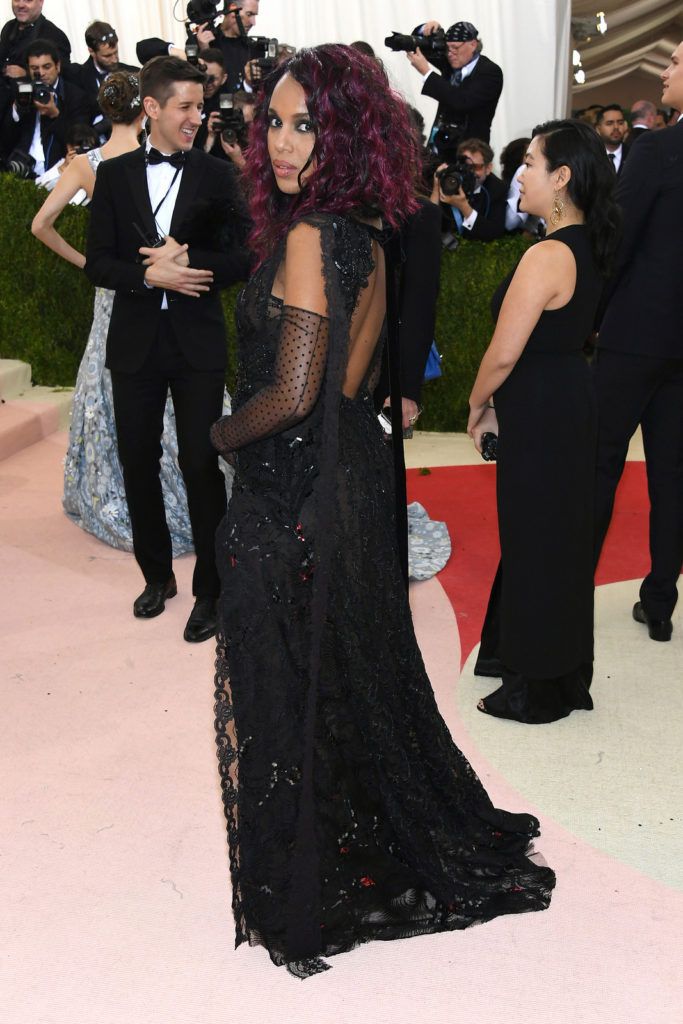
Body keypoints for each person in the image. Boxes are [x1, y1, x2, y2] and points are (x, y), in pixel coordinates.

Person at [210, 43, 554, 978]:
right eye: (273, 123)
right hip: (351, 465)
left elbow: (288, 392)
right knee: (348, 661)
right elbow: (350, 383)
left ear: (348, 131)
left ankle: (307, 864)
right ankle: (361, 829)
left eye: (306, 124)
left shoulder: (314, 236)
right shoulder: (363, 226)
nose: (283, 144)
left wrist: (218, 437)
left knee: (284, 666)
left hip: (298, 478)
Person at [85, 56, 250, 642]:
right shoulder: (113, 175)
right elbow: (97, 263)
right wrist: (147, 278)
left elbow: (240, 258)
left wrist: (185, 265)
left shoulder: (216, 175)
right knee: (137, 459)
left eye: (199, 106)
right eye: (184, 106)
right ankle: (156, 576)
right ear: (151, 108)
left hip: (197, 344)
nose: (195, 116)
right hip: (135, 345)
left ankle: (211, 588)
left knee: (202, 462)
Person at [468, 120, 620, 723]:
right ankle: (556, 673)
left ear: (561, 178)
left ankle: (534, 688)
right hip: (565, 402)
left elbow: (504, 352)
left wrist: (476, 406)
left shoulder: (548, 252)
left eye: (530, 162)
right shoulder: (590, 246)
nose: (520, 173)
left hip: (540, 407)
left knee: (535, 541)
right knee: (558, 540)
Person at [31, 71, 194, 556]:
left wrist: (89, 263)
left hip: (114, 292)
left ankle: (127, 495)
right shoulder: (163, 158)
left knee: (110, 390)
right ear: (147, 108)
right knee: (171, 387)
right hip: (166, 289)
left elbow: (41, 224)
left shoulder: (88, 164)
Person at [594, 42, 683, 643]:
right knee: (673, 476)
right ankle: (660, 603)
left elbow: (616, 243)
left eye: (676, 62)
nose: (666, 71)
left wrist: (589, 317)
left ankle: (566, 589)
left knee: (596, 466)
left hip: (632, 336)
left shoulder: (655, 147)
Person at [406, 20, 503, 157]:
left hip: (470, 153)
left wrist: (427, 73)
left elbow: (462, 101)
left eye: (455, 47)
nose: (450, 53)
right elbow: (417, 44)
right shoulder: (450, 62)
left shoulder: (490, 72)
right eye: (447, 48)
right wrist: (426, 28)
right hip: (439, 146)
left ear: (473, 44)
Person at [8, 38, 89, 175]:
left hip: (58, 168)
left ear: (57, 67)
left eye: (46, 67)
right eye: (35, 69)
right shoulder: (23, 90)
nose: (41, 73)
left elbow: (80, 141)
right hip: (22, 167)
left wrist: (55, 115)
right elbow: (7, 138)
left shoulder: (76, 96)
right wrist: (17, 109)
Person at [431, 137, 507, 241]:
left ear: (488, 168)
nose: (469, 172)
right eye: (465, 166)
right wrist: (437, 186)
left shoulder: (497, 189)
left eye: (476, 167)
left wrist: (464, 207)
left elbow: (493, 232)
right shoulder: (450, 179)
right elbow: (428, 220)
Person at [66, 21, 138, 123]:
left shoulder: (133, 73)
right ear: (91, 51)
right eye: (107, 56)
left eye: (116, 52)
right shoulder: (77, 78)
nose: (114, 59)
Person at [194, 0, 259, 92]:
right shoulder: (200, 42)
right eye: (249, 14)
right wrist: (205, 50)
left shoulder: (254, 48)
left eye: (254, 15)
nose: (253, 22)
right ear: (233, 9)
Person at [594, 104, 629, 175]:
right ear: (598, 129)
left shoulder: (632, 154)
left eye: (620, 123)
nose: (616, 127)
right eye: (609, 123)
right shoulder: (591, 155)